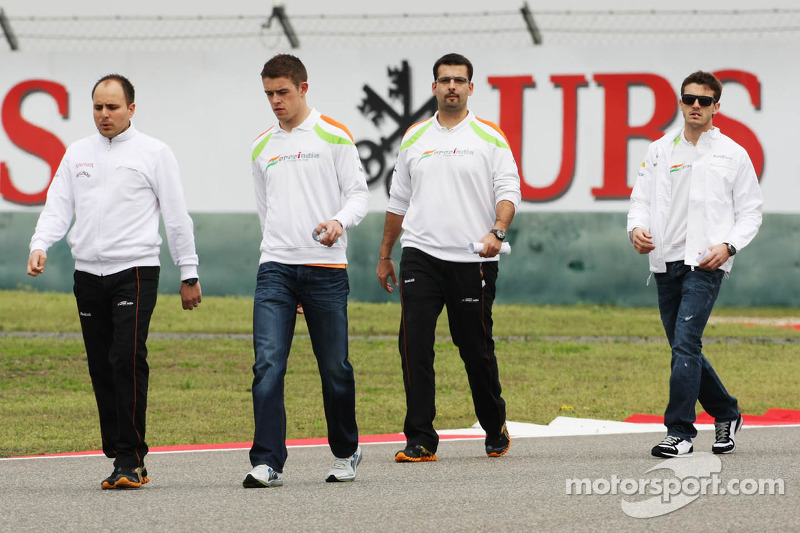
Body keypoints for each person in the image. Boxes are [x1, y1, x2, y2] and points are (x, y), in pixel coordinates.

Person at [27, 74, 202, 488]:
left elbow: (176, 216)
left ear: (131, 109)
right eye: (97, 107)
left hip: (135, 270)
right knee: (101, 365)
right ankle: (119, 450)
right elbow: (58, 206)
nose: (104, 115)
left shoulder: (154, 153)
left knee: (126, 359)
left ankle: (129, 458)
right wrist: (40, 244)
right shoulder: (77, 154)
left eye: (112, 107)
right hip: (87, 273)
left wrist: (188, 271)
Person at [376, 53, 521, 462]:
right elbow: (398, 198)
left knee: (474, 346)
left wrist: (497, 231)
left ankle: (494, 425)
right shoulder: (414, 137)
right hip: (419, 254)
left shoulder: (489, 136)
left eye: (459, 80)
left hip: (473, 259)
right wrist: (386, 253)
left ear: (471, 88)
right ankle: (420, 438)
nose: (452, 87)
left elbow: (509, 189)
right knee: (413, 345)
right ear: (434, 86)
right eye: (445, 80)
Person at [244, 54, 369, 488]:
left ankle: (346, 451)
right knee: (267, 366)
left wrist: (339, 222)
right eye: (269, 94)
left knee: (335, 368)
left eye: (283, 92)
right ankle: (267, 462)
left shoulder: (333, 136)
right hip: (275, 267)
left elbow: (358, 196)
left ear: (303, 88)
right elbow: (266, 212)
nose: (275, 101)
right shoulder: (262, 146)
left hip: (325, 269)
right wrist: (280, 251)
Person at [627, 70, 763, 458]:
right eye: (689, 99)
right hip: (665, 261)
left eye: (705, 100)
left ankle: (681, 432)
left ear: (717, 106)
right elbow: (640, 200)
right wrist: (636, 228)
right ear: (681, 103)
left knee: (686, 342)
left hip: (705, 263)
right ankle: (726, 412)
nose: (696, 106)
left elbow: (751, 212)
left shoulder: (733, 154)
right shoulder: (659, 150)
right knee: (682, 347)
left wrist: (729, 246)